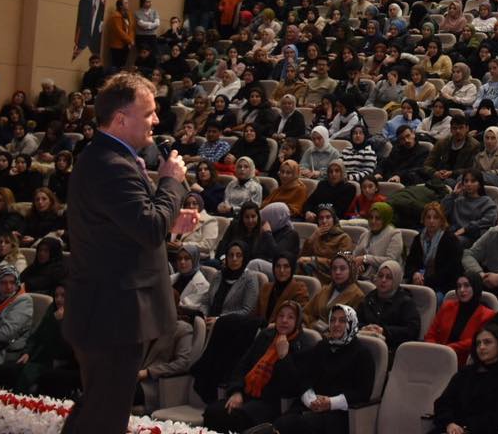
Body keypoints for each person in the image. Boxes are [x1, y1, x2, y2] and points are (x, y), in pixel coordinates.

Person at [61, 73, 191, 434]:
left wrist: (170, 222)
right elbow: (148, 228)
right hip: (113, 313)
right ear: (121, 118)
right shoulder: (111, 165)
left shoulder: (106, 157)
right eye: (148, 113)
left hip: (107, 311)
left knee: (98, 407)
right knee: (105, 417)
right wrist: (170, 181)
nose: (156, 121)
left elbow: (128, 227)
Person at [202, 300, 314, 432]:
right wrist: (237, 392)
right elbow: (243, 366)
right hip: (248, 393)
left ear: (297, 321)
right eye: (281, 316)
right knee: (212, 411)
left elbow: (293, 386)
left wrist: (284, 356)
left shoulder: (303, 344)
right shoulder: (266, 335)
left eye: (290, 317)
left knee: (234, 417)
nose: (284, 320)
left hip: (273, 402)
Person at [272, 303, 374, 434]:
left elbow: (363, 392)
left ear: (352, 323)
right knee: (280, 424)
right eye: (332, 320)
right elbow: (305, 377)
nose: (336, 324)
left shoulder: (362, 353)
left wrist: (330, 402)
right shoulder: (322, 346)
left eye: (342, 321)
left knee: (296, 426)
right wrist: (311, 401)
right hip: (311, 406)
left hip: (339, 413)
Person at [429, 321, 498, 434]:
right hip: (451, 429)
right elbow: (442, 403)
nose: (481, 347)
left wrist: (464, 428)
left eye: (487, 342)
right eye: (478, 343)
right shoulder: (465, 373)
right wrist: (449, 423)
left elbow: (497, 417)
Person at [425, 271, 496, 367]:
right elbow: (431, 333)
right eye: (459, 286)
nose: (462, 290)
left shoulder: (487, 315)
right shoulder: (447, 306)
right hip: (436, 357)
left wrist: (446, 350)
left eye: (466, 286)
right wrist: (433, 349)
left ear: (476, 287)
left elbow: (474, 342)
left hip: (464, 364)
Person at [355, 260, 420, 351]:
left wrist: (384, 331)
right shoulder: (369, 298)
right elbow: (355, 322)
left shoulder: (405, 302)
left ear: (396, 280)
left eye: (388, 277)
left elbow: (412, 330)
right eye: (380, 276)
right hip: (365, 345)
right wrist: (364, 328)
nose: (383, 280)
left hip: (392, 349)